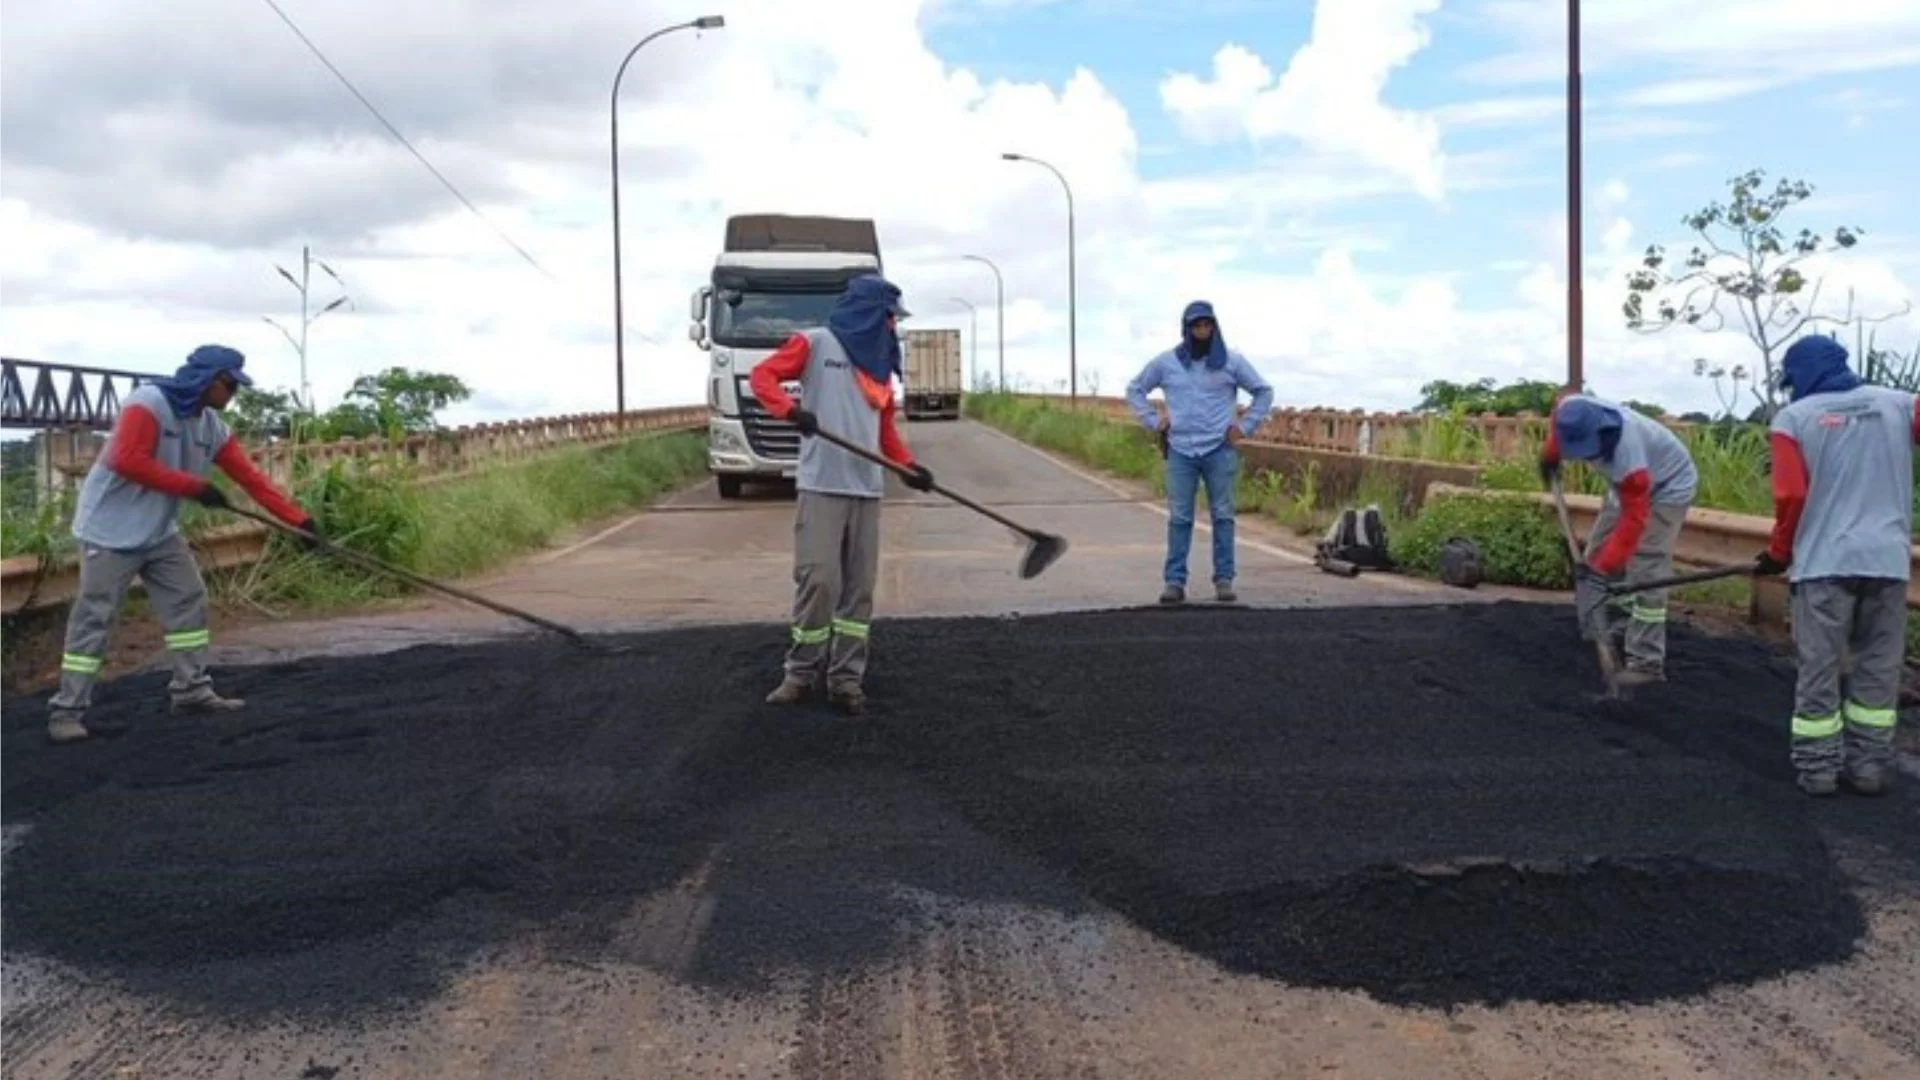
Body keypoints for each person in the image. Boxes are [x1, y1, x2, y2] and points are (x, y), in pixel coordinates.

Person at [48, 345, 321, 744]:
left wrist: (300, 522)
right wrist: (192, 487)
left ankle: (191, 690)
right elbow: (127, 460)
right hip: (109, 531)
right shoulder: (147, 405)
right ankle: (67, 711)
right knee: (95, 618)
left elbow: (252, 480)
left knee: (188, 599)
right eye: (229, 385)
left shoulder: (212, 428)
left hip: (158, 532)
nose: (233, 395)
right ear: (207, 380)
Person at [748, 274, 933, 716]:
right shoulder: (815, 344)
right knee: (819, 580)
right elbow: (762, 377)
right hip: (822, 486)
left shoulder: (880, 366)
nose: (893, 327)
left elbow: (884, 429)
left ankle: (846, 681)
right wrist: (791, 411)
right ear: (869, 312)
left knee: (858, 592)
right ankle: (799, 674)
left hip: (867, 490)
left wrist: (908, 467)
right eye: (889, 318)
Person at [1759, 335, 1916, 797]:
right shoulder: (1902, 404)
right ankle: (1868, 767)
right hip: (1887, 562)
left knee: (1819, 666)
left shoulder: (1794, 418)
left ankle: (1818, 770)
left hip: (1823, 564)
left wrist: (1778, 552)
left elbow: (1789, 495)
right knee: (1879, 666)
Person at [1538, 391, 1698, 685]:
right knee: (1592, 559)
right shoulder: (1569, 409)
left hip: (1667, 487)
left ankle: (1647, 661)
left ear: (1602, 434)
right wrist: (1549, 457)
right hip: (1620, 489)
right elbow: (1557, 425)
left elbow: (1633, 521)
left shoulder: (1628, 455)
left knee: (1645, 569)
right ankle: (1617, 624)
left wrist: (1604, 570)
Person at [1125, 300, 1274, 604]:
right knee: (1180, 517)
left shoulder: (1231, 363)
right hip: (1180, 449)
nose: (1202, 330)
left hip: (1219, 448)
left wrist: (1245, 427)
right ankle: (1174, 581)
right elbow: (1135, 388)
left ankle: (1224, 579)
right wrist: (1153, 421)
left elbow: (1263, 391)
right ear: (1187, 328)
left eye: (1206, 325)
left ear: (1214, 327)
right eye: (1196, 325)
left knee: (1223, 515)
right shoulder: (1167, 363)